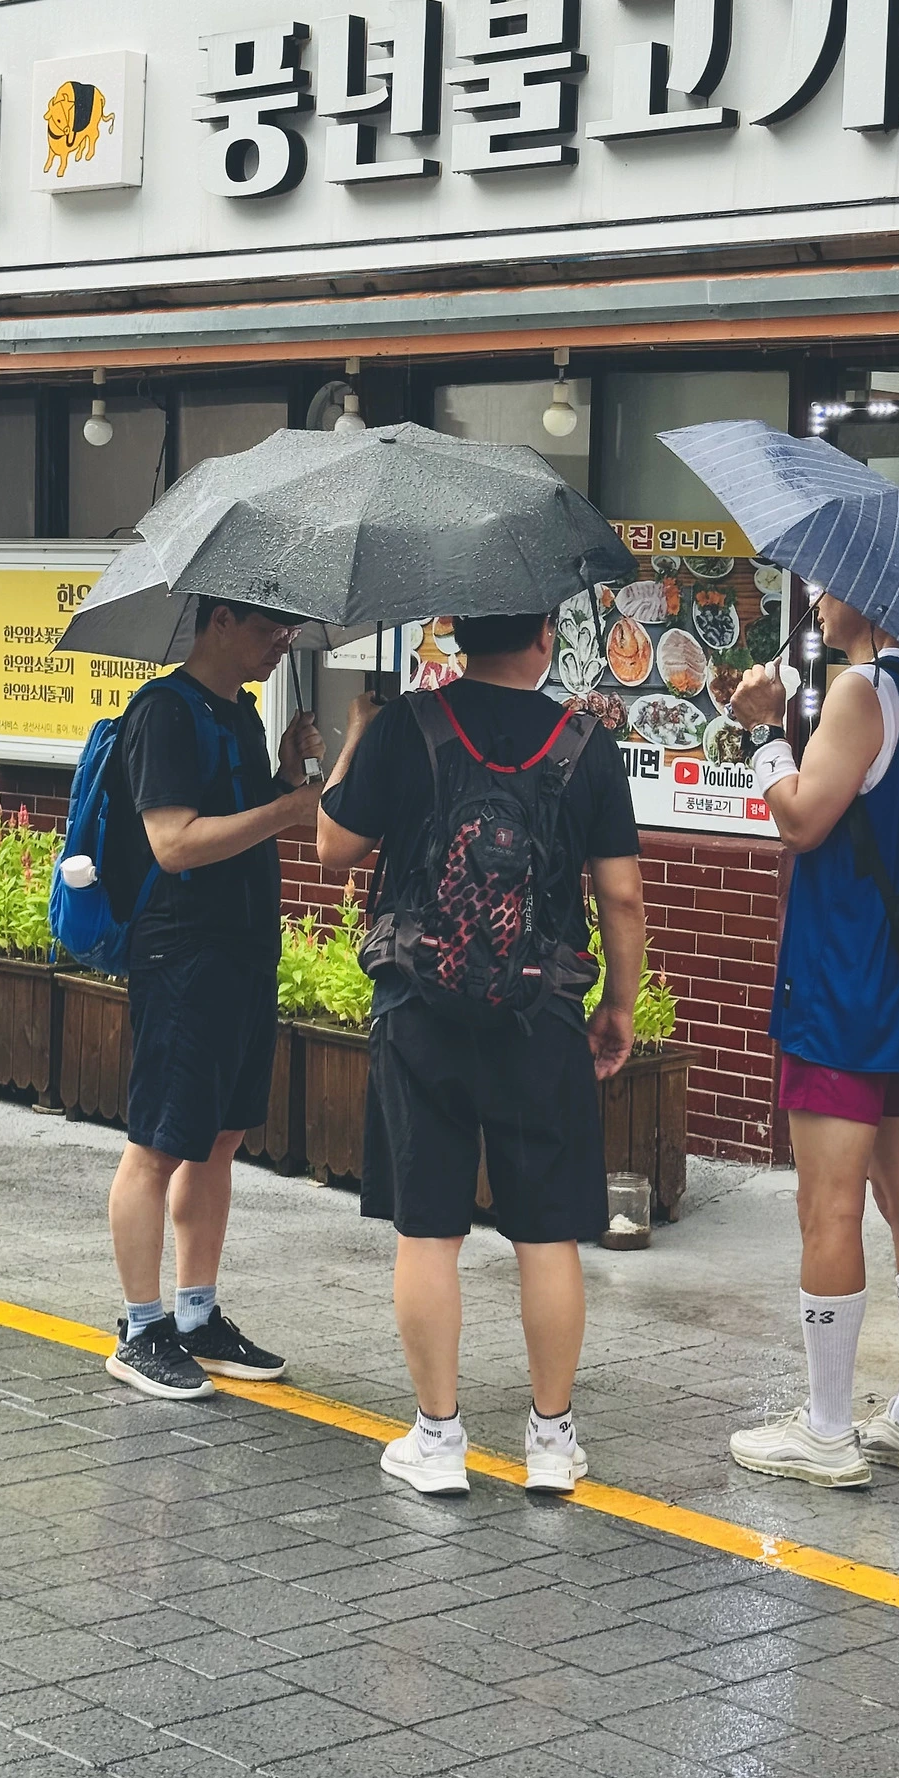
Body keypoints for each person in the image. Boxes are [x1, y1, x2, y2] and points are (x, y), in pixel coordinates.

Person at [316, 610, 646, 1495]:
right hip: (542, 1018)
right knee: (546, 1232)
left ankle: (438, 1440)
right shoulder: (586, 746)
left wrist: (356, 736)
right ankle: (551, 1442)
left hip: (419, 1011)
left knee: (429, 1229)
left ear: (459, 634)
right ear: (544, 637)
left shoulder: (407, 725)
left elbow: (333, 846)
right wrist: (618, 1004)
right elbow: (621, 896)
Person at [726, 593, 899, 1488]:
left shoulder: (865, 690)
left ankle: (827, 1427)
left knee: (829, 1206)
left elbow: (802, 817)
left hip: (839, 981)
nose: (818, 598)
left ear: (869, 595)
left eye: (828, 585)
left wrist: (762, 733)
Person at [104, 597, 325, 1401]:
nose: (281, 645)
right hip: (182, 953)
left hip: (242, 952)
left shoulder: (241, 713)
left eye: (289, 633)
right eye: (270, 630)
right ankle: (141, 1329)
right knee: (157, 1143)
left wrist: (288, 773)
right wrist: (288, 808)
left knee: (219, 1138)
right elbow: (174, 843)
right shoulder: (164, 712)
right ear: (221, 620)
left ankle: (196, 1315)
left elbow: (240, 816)